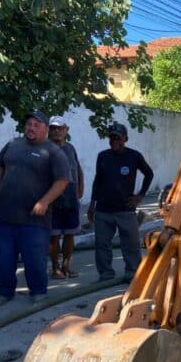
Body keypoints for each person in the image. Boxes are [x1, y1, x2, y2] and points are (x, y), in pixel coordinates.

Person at [0, 111, 69, 306]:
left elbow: (62, 181)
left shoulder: (53, 151)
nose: (31, 128)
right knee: (4, 257)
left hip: (34, 219)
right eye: (29, 124)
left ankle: (38, 291)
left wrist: (44, 201)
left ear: (45, 129)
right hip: (6, 215)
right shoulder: (12, 145)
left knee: (34, 258)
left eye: (36, 125)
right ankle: (5, 292)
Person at [87, 122, 153, 282]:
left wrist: (140, 196)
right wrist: (92, 203)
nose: (114, 140)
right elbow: (98, 180)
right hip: (103, 210)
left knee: (131, 245)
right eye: (111, 137)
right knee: (102, 245)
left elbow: (148, 174)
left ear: (125, 138)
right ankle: (106, 274)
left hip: (125, 210)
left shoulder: (134, 156)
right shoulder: (103, 156)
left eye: (118, 137)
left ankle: (132, 274)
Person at [47, 116, 84, 279]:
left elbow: (78, 168)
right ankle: (55, 268)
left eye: (60, 128)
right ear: (49, 130)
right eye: (54, 128)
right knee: (53, 236)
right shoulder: (45, 148)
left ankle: (66, 266)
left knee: (70, 234)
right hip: (53, 201)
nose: (57, 131)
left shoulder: (70, 148)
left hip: (71, 199)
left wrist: (80, 189)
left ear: (66, 130)